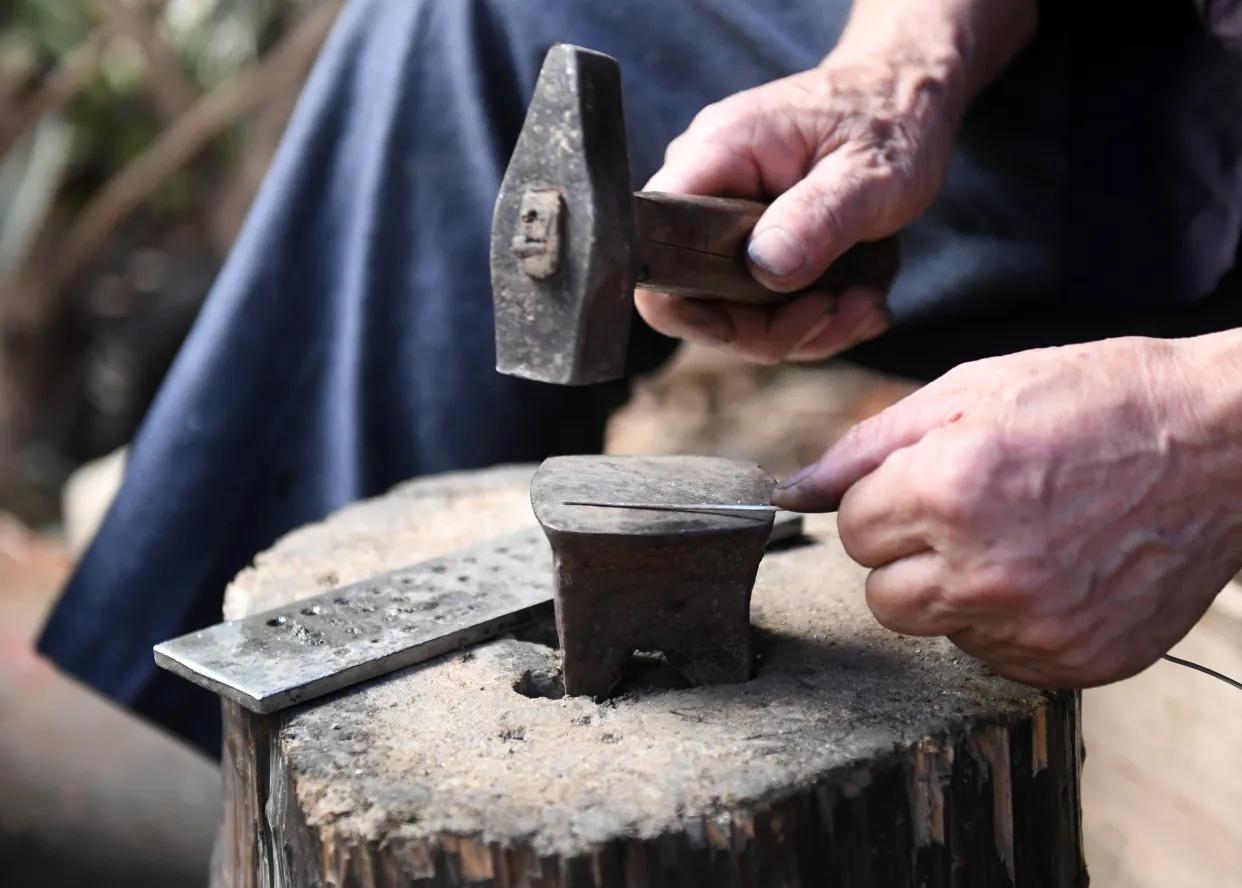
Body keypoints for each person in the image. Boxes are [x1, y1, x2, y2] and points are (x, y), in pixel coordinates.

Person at [38, 0, 1242, 755]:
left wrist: (1207, 433)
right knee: (479, 20)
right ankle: (219, 739)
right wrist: (899, 69)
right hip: (1167, 94)